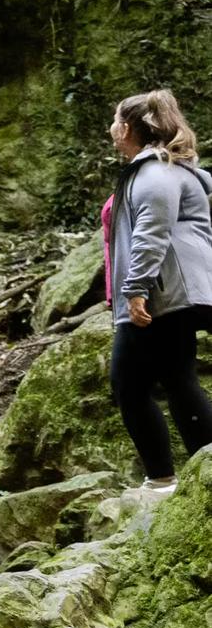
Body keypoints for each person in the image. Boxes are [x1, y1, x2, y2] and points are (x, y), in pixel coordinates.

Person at [105, 89, 212, 496]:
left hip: (165, 293)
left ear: (128, 127)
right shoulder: (163, 170)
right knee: (177, 377)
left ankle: (162, 480)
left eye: (115, 122)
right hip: (176, 291)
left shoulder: (155, 172)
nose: (111, 130)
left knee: (128, 385)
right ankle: (199, 472)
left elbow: (152, 235)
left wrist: (134, 291)